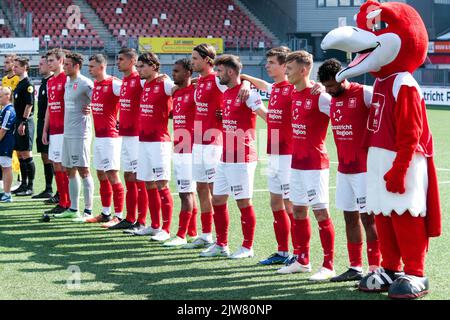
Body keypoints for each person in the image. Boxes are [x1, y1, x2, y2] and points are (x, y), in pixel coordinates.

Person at [317, 59, 380, 282]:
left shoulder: (365, 93)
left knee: (368, 219)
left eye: (331, 85)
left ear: (344, 78)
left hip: (365, 169)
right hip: (344, 169)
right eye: (325, 86)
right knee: (349, 218)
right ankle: (355, 267)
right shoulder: (330, 98)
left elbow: (390, 107)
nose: (328, 90)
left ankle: (375, 269)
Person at [276, 51, 336, 281]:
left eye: (289, 68)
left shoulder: (321, 96)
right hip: (296, 162)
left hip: (315, 164)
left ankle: (328, 265)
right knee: (298, 210)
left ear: (303, 70)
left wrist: (323, 87)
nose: (286, 72)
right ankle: (302, 260)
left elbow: (340, 113)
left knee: (320, 212)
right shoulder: (292, 92)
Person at [199, 54, 267, 259]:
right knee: (218, 200)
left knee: (243, 203)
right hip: (225, 157)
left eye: (219, 71)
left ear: (229, 72)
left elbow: (267, 116)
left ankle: (247, 247)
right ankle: (221, 244)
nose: (216, 74)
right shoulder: (226, 92)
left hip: (243, 157)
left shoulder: (249, 95)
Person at [185, 44, 250, 249]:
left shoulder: (217, 78)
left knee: (216, 192)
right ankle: (206, 235)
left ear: (207, 60)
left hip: (214, 143)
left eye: (195, 58)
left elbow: (238, 81)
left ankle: (223, 239)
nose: (192, 61)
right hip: (197, 142)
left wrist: (247, 83)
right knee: (201, 188)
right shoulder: (200, 81)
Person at [241, 47, 297, 265]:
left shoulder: (293, 89)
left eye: (272, 62)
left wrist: (256, 106)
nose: (267, 65)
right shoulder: (277, 88)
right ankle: (282, 251)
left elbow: (278, 119)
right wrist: (245, 79)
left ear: (285, 66)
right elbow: (265, 87)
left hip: (289, 155)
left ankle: (298, 253)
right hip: (274, 153)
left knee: (291, 204)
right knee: (275, 202)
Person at [130, 52, 175, 241]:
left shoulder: (165, 83)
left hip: (159, 142)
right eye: (137, 66)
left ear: (154, 67)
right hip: (144, 142)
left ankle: (166, 229)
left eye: (142, 66)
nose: (138, 70)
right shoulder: (144, 83)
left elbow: (181, 88)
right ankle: (154, 225)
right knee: (148, 183)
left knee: (161, 184)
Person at [104, 48, 149, 231]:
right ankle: (130, 218)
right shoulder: (125, 82)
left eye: (121, 59)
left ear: (132, 61)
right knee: (129, 176)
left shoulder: (141, 79)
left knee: (140, 178)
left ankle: (142, 220)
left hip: (138, 137)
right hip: (126, 136)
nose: (118, 62)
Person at [83, 54, 125, 224]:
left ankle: (119, 215)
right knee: (101, 174)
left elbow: (131, 99)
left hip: (110, 138)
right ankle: (106, 213)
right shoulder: (96, 85)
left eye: (92, 66)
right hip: (99, 136)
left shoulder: (114, 83)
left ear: (101, 67)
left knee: (113, 175)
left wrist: (121, 120)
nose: (89, 69)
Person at [163, 58, 199, 247]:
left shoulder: (195, 91)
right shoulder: (176, 93)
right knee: (188, 192)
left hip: (190, 148)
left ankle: (181, 234)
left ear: (188, 73)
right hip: (178, 146)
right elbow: (172, 114)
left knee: (186, 193)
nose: (173, 74)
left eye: (177, 71)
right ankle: (192, 232)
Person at [59, 52, 94, 221]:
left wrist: (92, 108)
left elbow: (101, 101)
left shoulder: (86, 83)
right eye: (64, 64)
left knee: (84, 170)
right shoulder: (67, 83)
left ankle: (88, 211)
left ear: (76, 66)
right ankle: (74, 209)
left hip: (81, 134)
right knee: (69, 170)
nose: (64, 67)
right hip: (68, 133)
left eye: (67, 64)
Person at [43, 48, 70, 214]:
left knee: (64, 166)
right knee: (56, 165)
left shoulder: (67, 79)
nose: (48, 63)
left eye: (52, 60)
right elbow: (49, 107)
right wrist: (45, 129)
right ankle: (62, 201)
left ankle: (68, 202)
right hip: (54, 130)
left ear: (61, 61)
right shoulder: (50, 81)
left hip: (65, 130)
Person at [12, 57, 36, 197]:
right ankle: (23, 184)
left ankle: (30, 186)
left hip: (25, 122)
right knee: (20, 153)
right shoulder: (19, 83)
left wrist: (23, 122)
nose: (14, 69)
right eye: (14, 66)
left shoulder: (28, 84)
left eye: (17, 66)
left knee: (26, 153)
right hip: (19, 121)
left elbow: (29, 104)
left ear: (25, 67)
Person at [32, 55, 54, 199]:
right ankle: (48, 188)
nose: (39, 66)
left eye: (42, 64)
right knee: (44, 155)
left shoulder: (53, 81)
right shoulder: (44, 81)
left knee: (54, 157)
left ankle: (59, 192)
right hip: (41, 121)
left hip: (51, 123)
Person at [1, 54, 20, 190]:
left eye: (7, 62)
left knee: (15, 154)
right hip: (4, 113)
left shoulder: (17, 79)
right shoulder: (4, 79)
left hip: (12, 118)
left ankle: (20, 179)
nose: (5, 64)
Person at [0, 87, 16, 203]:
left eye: (0, 96)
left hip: (6, 143)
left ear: (7, 96)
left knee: (6, 167)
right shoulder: (4, 109)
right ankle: (6, 192)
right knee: (4, 167)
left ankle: (7, 193)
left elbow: (3, 130)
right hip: (3, 142)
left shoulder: (9, 110)